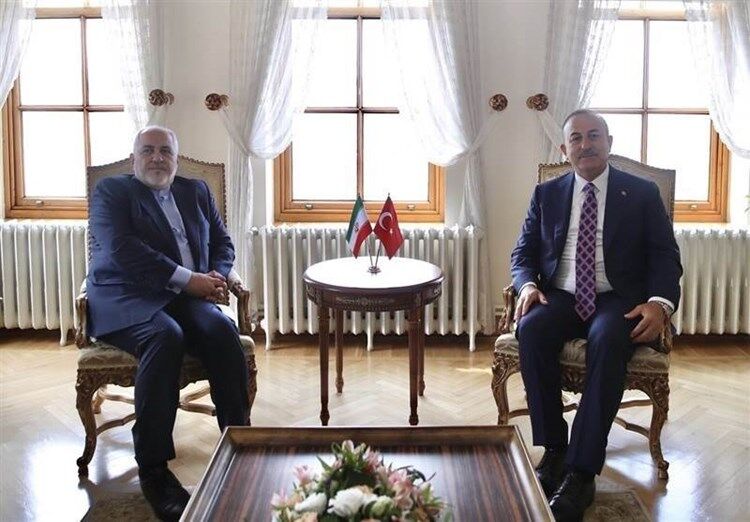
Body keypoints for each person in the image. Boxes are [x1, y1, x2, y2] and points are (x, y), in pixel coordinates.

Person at [511, 109, 682, 521]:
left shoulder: (640, 193)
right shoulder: (547, 194)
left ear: (608, 142)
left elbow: (665, 255)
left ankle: (582, 471)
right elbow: (523, 253)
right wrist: (527, 286)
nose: (585, 144)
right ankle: (555, 450)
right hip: (561, 295)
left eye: (593, 136)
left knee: (608, 339)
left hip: (616, 298)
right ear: (564, 148)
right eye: (576, 138)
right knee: (531, 329)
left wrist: (660, 303)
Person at [87, 126, 249, 521]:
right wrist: (188, 280)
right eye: (148, 150)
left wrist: (215, 275)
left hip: (186, 294)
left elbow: (223, 243)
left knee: (221, 330)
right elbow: (123, 250)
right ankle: (154, 471)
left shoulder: (196, 191)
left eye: (165, 151)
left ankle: (241, 442)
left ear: (177, 159)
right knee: (166, 337)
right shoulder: (112, 192)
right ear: (134, 158)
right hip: (124, 294)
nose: (157, 158)